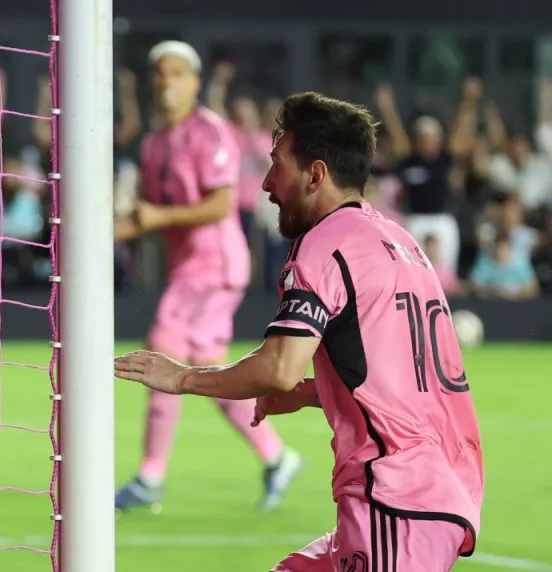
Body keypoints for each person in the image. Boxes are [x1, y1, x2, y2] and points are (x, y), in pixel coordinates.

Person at [114, 92, 484, 571]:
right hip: (425, 492)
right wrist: (316, 392)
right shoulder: (397, 240)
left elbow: (277, 367)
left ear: (316, 175)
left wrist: (182, 378)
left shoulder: (324, 243)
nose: (266, 182)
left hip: (396, 499)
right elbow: (394, 373)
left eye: (276, 164)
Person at [112, 40, 302, 514]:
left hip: (213, 265)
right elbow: (155, 216)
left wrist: (153, 218)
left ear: (195, 82)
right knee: (209, 374)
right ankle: (277, 456)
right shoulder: (155, 142)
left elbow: (220, 204)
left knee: (162, 348)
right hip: (190, 268)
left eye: (177, 73)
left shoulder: (210, 131)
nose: (167, 82)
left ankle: (150, 475)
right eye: (160, 73)